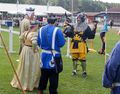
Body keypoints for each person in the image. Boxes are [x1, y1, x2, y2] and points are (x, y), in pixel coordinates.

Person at [10, 13, 40, 91]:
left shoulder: (26, 32)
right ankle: (29, 84)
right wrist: (35, 50)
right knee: (32, 67)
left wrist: (24, 45)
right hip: (30, 51)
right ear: (35, 26)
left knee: (24, 66)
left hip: (25, 50)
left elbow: (20, 38)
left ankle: (22, 81)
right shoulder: (34, 34)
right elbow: (34, 43)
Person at [37, 14, 65, 94]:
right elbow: (61, 43)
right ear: (55, 21)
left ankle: (40, 90)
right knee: (53, 76)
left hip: (43, 55)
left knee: (43, 74)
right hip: (54, 55)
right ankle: (52, 92)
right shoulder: (57, 30)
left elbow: (39, 42)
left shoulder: (41, 29)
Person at [66, 13, 95, 77]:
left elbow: (91, 36)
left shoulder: (86, 27)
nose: (78, 19)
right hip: (73, 44)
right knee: (74, 58)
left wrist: (94, 29)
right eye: (77, 18)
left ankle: (84, 72)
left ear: (82, 19)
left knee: (83, 59)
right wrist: (67, 29)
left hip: (81, 44)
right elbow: (68, 34)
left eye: (79, 18)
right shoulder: (73, 26)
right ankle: (74, 71)